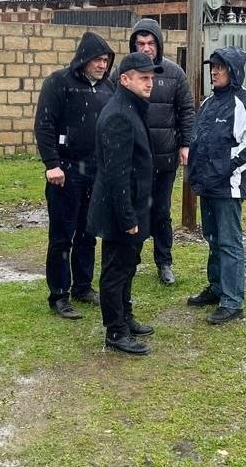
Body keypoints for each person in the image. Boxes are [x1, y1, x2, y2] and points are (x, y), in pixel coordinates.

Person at [34, 31, 116, 319]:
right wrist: (51, 163)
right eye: (97, 59)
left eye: (106, 60)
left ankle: (83, 286)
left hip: (96, 171)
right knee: (62, 235)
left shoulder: (109, 88)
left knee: (88, 232)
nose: (102, 65)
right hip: (66, 171)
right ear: (84, 59)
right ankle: (59, 293)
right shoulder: (59, 83)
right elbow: (44, 125)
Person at [87, 52, 162, 355]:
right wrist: (128, 218)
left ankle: (125, 317)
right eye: (143, 78)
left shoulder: (131, 107)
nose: (150, 84)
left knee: (129, 266)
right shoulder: (119, 114)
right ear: (125, 79)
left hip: (133, 206)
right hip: (121, 210)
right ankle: (115, 331)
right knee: (116, 270)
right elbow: (117, 175)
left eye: (152, 78)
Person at [186, 46, 246, 325]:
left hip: (228, 186)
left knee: (229, 241)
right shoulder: (209, 102)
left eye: (220, 67)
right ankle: (217, 288)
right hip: (207, 184)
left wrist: (227, 168)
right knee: (212, 238)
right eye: (213, 66)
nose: (214, 71)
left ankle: (233, 301)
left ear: (233, 71)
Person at [126, 19, 195, 285]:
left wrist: (185, 144)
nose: (146, 48)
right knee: (134, 210)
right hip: (133, 159)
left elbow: (186, 111)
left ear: (159, 44)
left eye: (150, 43)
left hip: (165, 158)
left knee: (161, 211)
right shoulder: (123, 73)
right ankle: (131, 259)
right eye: (140, 43)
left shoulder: (174, 74)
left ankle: (164, 261)